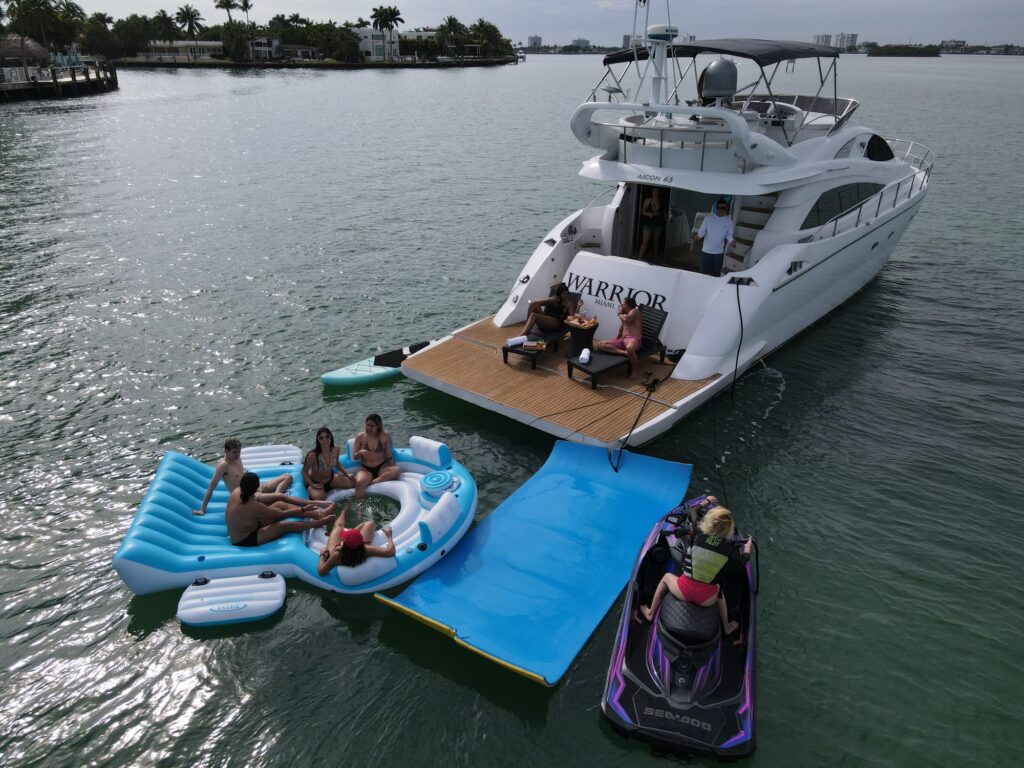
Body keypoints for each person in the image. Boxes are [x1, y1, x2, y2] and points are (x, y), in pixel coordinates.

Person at [640, 505, 753, 635]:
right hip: (707, 599)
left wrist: (707, 501)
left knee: (666, 577)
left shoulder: (699, 532)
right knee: (719, 590)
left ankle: (649, 613)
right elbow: (743, 562)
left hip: (683, 591)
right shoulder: (729, 548)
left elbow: (694, 512)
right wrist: (747, 549)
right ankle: (727, 626)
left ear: (709, 521)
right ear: (728, 529)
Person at [227, 472, 336, 547]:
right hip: (245, 539)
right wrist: (302, 509)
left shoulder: (237, 491)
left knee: (279, 503)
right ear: (256, 489)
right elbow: (280, 515)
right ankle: (319, 522)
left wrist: (305, 510)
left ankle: (317, 515)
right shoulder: (252, 506)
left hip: (250, 525)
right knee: (283, 525)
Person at [193, 437, 293, 516]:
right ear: (226, 451)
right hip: (246, 496)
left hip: (255, 488)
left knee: (287, 477)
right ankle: (274, 498)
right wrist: (202, 509)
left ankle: (274, 496)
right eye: (234, 452)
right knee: (278, 498)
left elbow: (239, 473)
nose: (237, 455)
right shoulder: (223, 466)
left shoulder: (237, 458)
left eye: (239, 452)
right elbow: (211, 487)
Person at [317, 501, 396, 575]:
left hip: (339, 551)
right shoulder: (366, 550)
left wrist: (322, 554)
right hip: (357, 552)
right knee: (369, 523)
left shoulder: (336, 555)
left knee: (339, 526)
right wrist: (389, 536)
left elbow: (321, 572)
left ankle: (344, 511)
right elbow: (390, 552)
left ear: (343, 542)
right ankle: (352, 534)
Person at [352, 414, 401, 498]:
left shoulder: (385, 437)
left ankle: (372, 482)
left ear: (378, 426)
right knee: (359, 483)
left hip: (381, 467)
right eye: (367, 425)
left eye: (372, 426)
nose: (369, 428)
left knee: (397, 470)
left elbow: (389, 456)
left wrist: (393, 467)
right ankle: (359, 507)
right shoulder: (360, 437)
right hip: (366, 469)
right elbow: (355, 457)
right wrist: (360, 452)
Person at [303, 427, 356, 500]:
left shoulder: (336, 449)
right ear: (318, 440)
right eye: (321, 438)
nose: (324, 440)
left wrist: (347, 474)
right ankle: (310, 489)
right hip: (316, 482)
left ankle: (330, 487)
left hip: (330, 479)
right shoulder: (313, 455)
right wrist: (312, 484)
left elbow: (337, 464)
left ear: (331, 437)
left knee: (353, 483)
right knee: (319, 497)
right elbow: (304, 471)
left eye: (327, 437)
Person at [595, 297, 642, 371]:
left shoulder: (634, 311)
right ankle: (624, 352)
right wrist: (617, 338)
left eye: (623, 303)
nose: (621, 304)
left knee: (629, 348)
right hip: (623, 340)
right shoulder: (626, 314)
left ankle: (634, 371)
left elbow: (627, 321)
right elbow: (622, 328)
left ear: (627, 305)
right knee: (600, 344)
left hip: (633, 339)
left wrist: (619, 314)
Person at [695, 198, 737, 277]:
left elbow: (729, 234)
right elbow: (702, 231)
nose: (721, 210)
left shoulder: (728, 220)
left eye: (723, 208)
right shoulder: (708, 218)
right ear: (716, 208)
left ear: (726, 208)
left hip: (719, 254)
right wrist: (698, 236)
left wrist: (732, 241)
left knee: (716, 276)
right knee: (702, 275)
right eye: (719, 208)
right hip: (706, 252)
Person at [638, 188, 665, 262]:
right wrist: (648, 213)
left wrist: (666, 223)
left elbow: (664, 213)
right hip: (648, 223)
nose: (655, 193)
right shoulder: (648, 200)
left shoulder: (661, 201)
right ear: (652, 192)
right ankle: (639, 258)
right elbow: (642, 211)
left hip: (658, 224)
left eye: (657, 191)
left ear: (659, 192)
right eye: (654, 191)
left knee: (656, 241)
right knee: (645, 242)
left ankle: (655, 257)